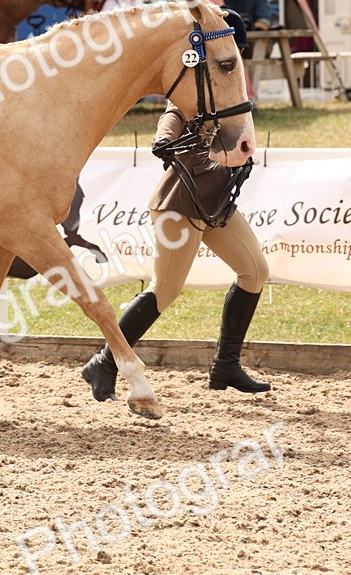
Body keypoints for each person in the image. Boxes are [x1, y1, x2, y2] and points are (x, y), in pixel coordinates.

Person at [80, 102, 271, 401]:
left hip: (216, 202)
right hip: (179, 204)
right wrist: (164, 138)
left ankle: (226, 366)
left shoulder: (231, 95)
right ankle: (104, 362)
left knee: (256, 271)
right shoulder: (195, 87)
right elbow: (174, 113)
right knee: (166, 290)